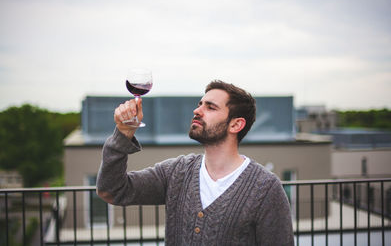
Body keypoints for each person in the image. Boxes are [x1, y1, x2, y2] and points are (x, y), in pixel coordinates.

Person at [96, 80, 294, 245]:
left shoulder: (266, 188)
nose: (197, 110)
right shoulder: (177, 172)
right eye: (200, 104)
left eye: (210, 107)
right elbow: (112, 190)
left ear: (236, 124)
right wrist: (123, 134)